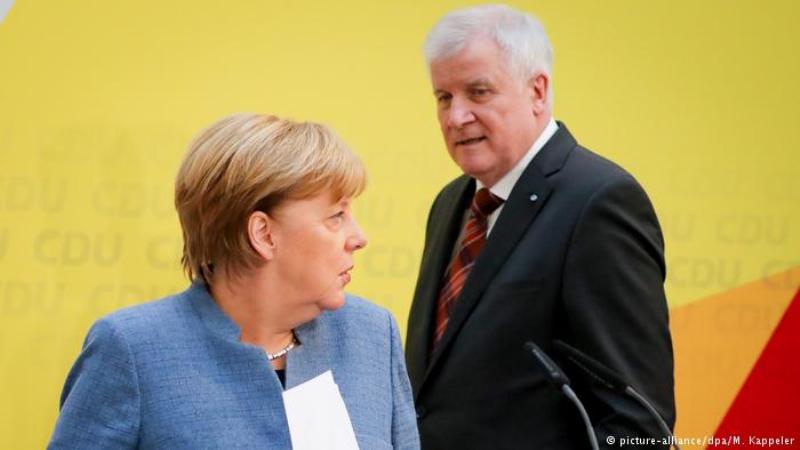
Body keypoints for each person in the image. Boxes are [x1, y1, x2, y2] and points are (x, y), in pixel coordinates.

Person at [49, 113, 420, 449]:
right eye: (336, 216)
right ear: (263, 234)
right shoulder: (131, 349)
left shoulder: (372, 335)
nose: (358, 237)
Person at [405, 5, 675, 449]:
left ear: (537, 90)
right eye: (443, 97)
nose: (456, 117)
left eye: (478, 92)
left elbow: (638, 424)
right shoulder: (450, 202)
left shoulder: (599, 201)